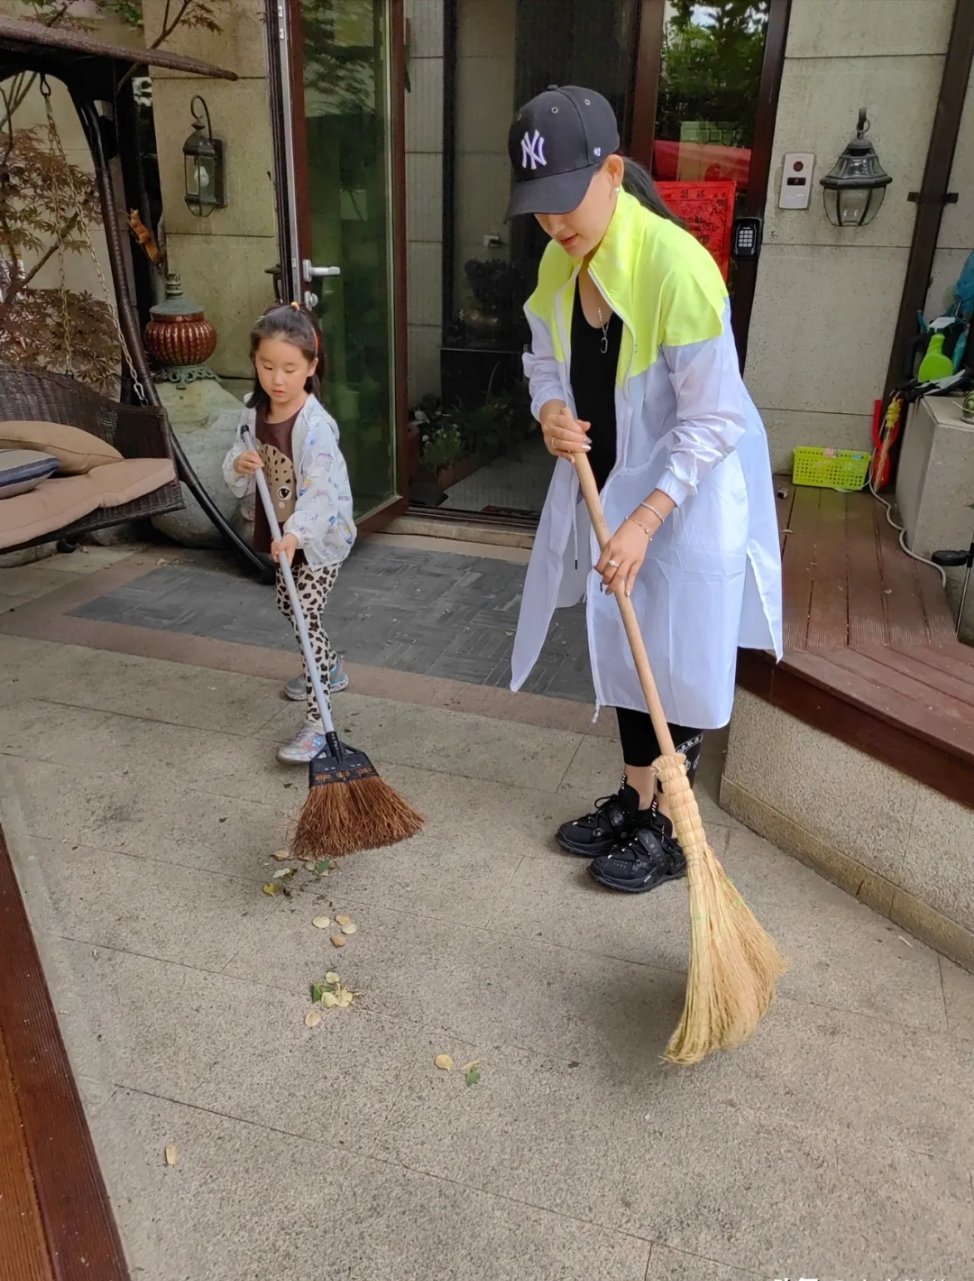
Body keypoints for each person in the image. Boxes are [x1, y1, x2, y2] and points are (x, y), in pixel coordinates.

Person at [506, 86, 783, 893]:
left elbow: (712, 420)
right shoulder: (560, 261)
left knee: (677, 654)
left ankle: (668, 822)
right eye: (539, 207)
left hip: (687, 492)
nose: (555, 224)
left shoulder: (678, 268)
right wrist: (550, 408)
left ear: (613, 172)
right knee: (631, 644)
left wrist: (648, 519)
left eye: (566, 201)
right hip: (615, 485)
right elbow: (543, 361)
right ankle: (634, 800)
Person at [223, 302, 356, 763]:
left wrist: (298, 534)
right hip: (280, 534)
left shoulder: (316, 428)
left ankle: (319, 723)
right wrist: (239, 464)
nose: (277, 379)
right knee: (288, 603)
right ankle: (330, 667)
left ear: (311, 367)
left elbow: (321, 494)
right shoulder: (251, 411)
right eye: (266, 366)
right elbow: (238, 457)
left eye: (289, 369)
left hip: (318, 539)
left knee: (305, 615)